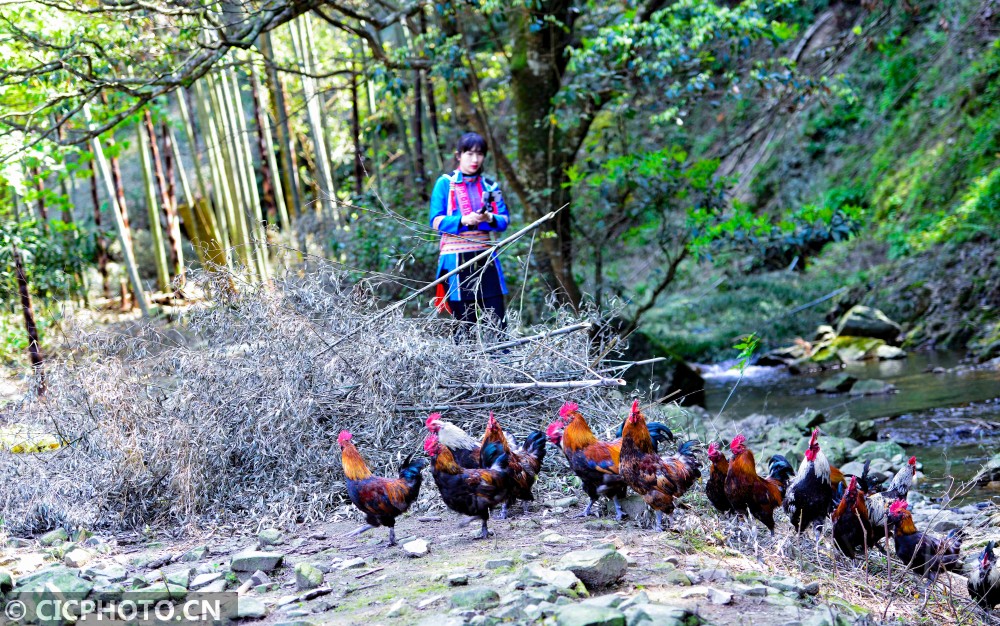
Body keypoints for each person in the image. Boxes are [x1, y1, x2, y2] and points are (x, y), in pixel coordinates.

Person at [429, 132, 510, 337]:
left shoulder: (491, 186)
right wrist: (463, 220)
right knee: (464, 328)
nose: (475, 159)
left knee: (497, 322)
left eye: (480, 154)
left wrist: (489, 218)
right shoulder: (444, 183)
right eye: (469, 153)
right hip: (455, 260)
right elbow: (435, 221)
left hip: (485, 258)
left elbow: (504, 220)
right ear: (458, 155)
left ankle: (502, 364)